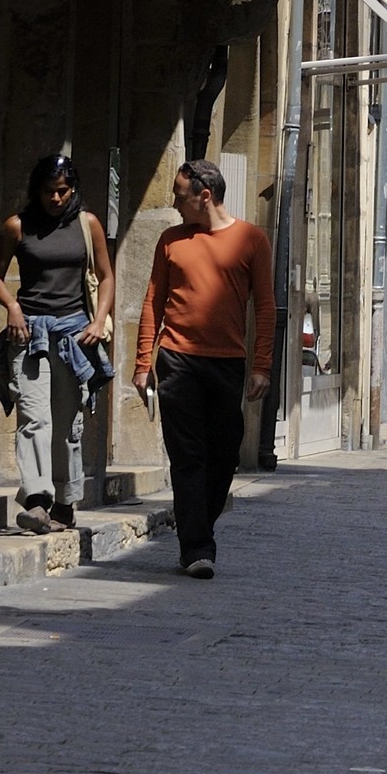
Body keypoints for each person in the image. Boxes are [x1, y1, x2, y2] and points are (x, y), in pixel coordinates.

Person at [133, 158, 276, 578]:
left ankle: (198, 525)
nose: (176, 204)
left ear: (205, 195)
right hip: (177, 359)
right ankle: (197, 547)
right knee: (188, 456)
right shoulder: (170, 240)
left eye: (181, 196)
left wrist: (262, 364)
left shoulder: (251, 240)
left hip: (227, 364)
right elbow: (152, 303)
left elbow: (265, 306)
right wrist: (144, 362)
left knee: (223, 455)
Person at [0, 154, 115, 535]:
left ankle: (64, 501)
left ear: (72, 189)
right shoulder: (16, 227)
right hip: (28, 333)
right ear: (36, 191)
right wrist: (11, 306)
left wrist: (98, 320)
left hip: (74, 335)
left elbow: (105, 276)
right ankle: (37, 501)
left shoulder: (87, 224)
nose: (55, 199)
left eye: (62, 191)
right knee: (33, 416)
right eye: (48, 192)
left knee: (66, 424)